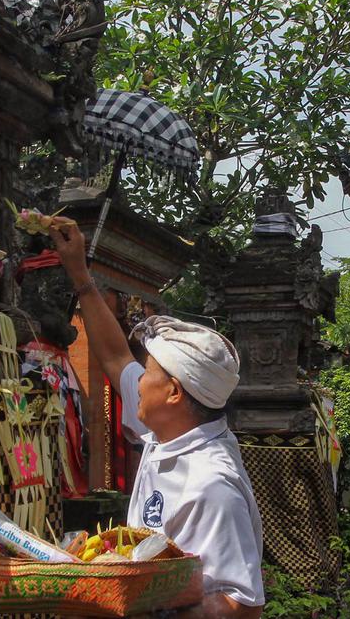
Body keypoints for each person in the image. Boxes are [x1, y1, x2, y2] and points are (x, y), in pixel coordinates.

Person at [48, 218, 265, 618]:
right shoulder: (167, 428)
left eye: (148, 373)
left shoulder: (211, 482)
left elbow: (242, 602)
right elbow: (114, 356)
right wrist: (79, 273)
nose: (137, 380)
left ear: (174, 392)